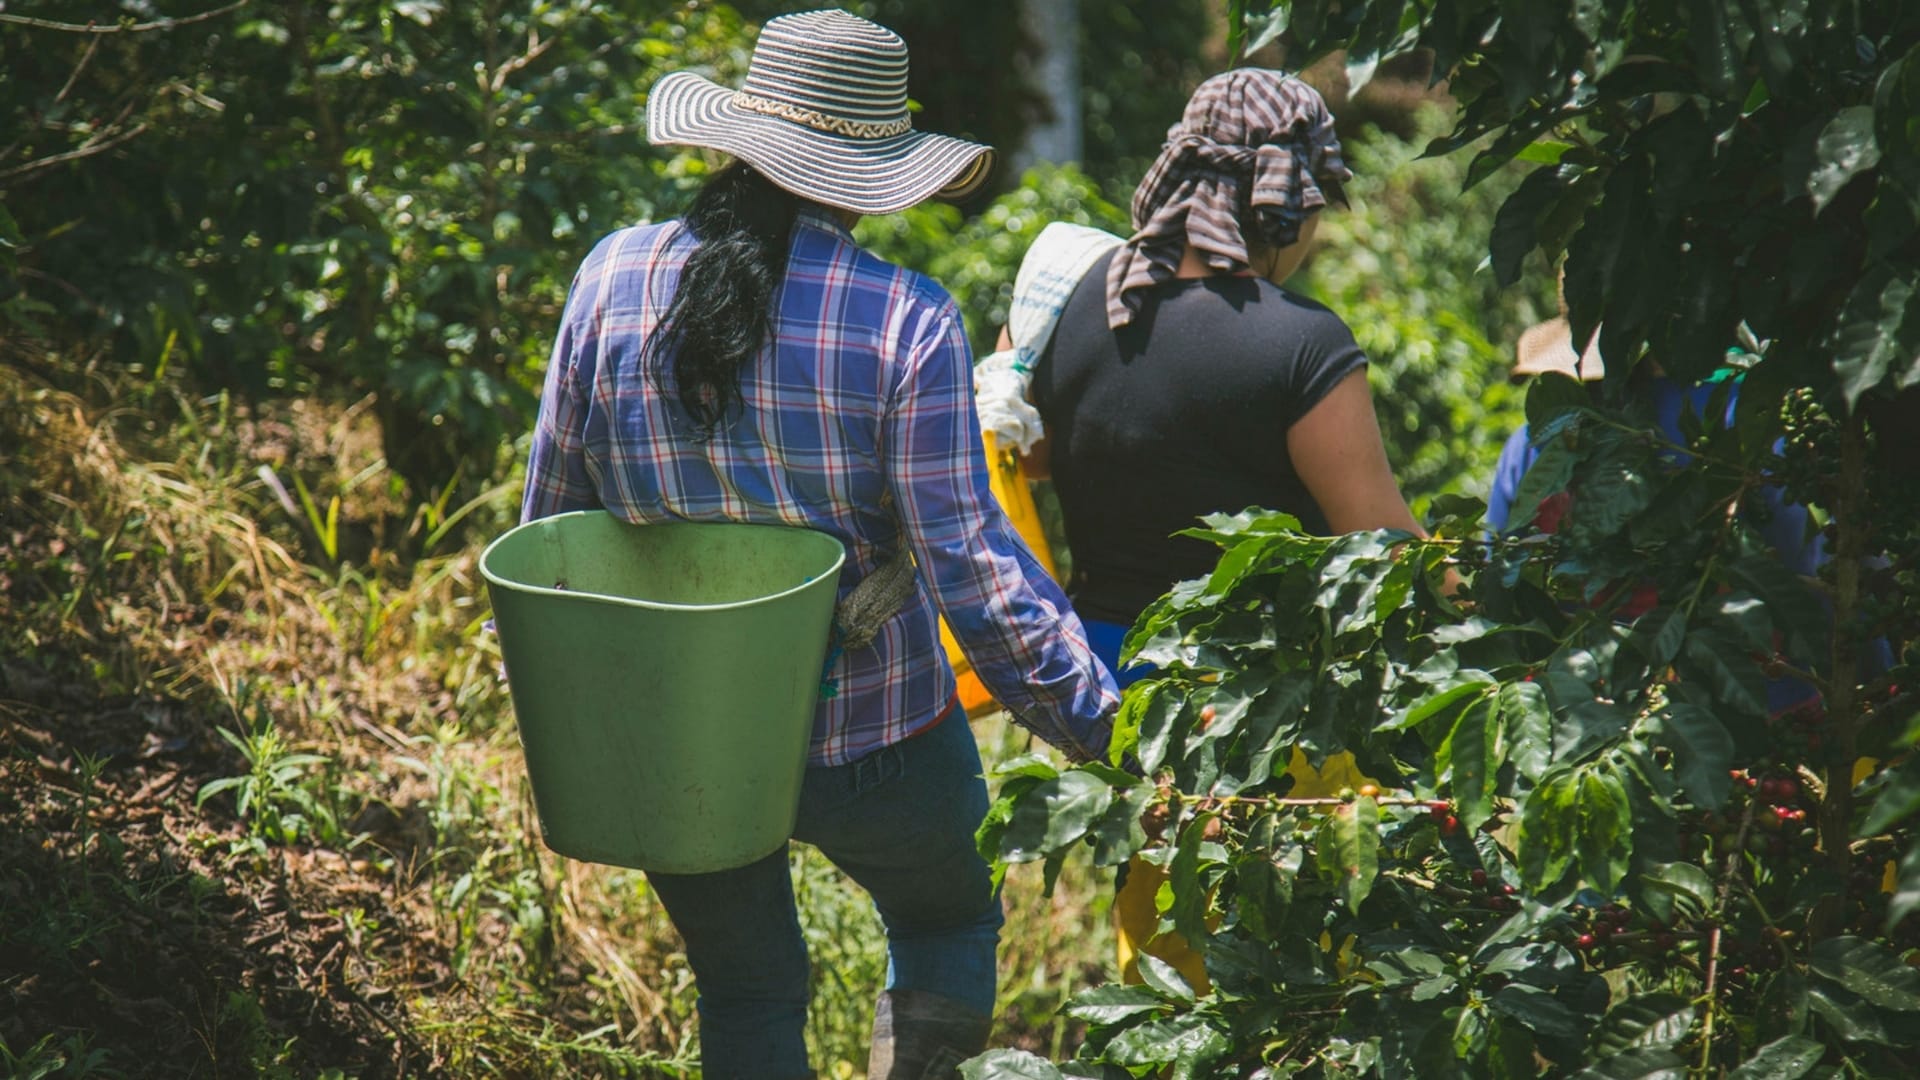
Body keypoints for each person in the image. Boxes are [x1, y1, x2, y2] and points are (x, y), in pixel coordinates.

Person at [519, 11, 1119, 1078]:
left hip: (679, 741)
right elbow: (969, 569)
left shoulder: (607, 280)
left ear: (737, 139)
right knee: (946, 919)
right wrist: (1100, 729)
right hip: (873, 734)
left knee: (747, 985)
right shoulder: (908, 320)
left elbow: (552, 537)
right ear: (867, 173)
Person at [980, 69, 1424, 989]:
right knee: (1296, 959)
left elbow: (1044, 458)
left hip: (1108, 687)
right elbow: (1382, 551)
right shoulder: (1299, 343)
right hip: (1255, 703)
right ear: (1289, 203)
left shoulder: (1083, 305)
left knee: (1169, 940)